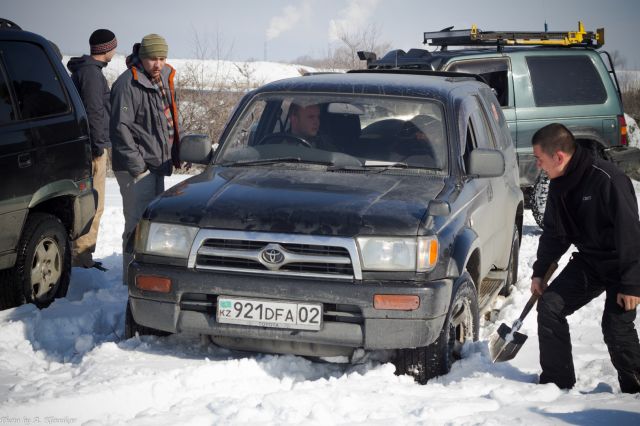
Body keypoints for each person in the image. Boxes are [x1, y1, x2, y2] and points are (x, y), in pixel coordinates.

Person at [530, 123, 640, 393]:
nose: (538, 166)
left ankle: (635, 390)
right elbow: (556, 233)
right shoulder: (559, 184)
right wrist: (540, 271)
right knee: (550, 306)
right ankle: (557, 384)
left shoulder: (607, 179)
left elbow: (630, 233)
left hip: (621, 263)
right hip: (590, 262)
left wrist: (631, 284)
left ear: (559, 157)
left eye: (539, 160)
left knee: (615, 328)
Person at [110, 34, 182, 274]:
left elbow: (166, 121)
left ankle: (148, 274)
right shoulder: (127, 84)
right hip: (136, 169)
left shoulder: (161, 78)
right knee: (136, 225)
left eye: (162, 58)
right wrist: (138, 166)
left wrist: (173, 153)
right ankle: (131, 277)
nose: (158, 64)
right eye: (153, 58)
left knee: (152, 225)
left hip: (156, 164)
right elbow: (120, 129)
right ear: (143, 57)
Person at [67, 29, 118, 271]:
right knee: (95, 205)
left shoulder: (85, 71)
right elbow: (94, 112)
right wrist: (99, 147)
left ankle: (80, 257)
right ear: (106, 49)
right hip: (92, 149)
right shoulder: (91, 75)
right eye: (113, 47)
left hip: (86, 147)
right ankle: (81, 260)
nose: (115, 51)